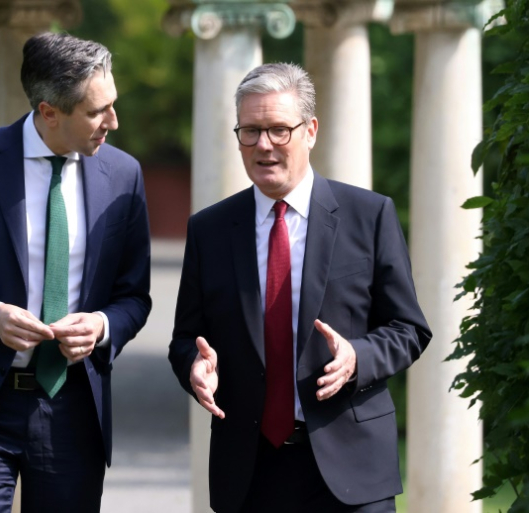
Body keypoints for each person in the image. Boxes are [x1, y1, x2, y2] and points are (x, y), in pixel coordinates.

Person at [0, 32, 151, 512]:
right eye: (97, 112)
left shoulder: (124, 176)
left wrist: (102, 326)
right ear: (49, 111)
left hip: (74, 409)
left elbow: (134, 298)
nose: (113, 123)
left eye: (112, 105)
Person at [168, 62, 431, 512]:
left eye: (278, 130)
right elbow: (184, 339)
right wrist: (195, 368)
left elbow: (409, 328)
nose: (263, 145)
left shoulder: (370, 216)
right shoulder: (209, 229)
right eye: (249, 131)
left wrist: (357, 357)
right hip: (250, 470)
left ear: (310, 130)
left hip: (352, 465)